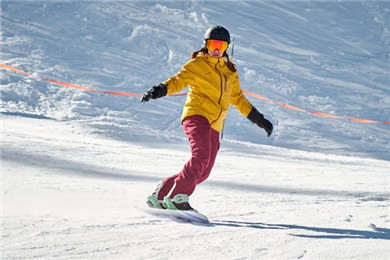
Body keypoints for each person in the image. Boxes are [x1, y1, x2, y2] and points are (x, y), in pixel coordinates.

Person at [141, 25, 273, 211]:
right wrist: (159, 90)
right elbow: (178, 80)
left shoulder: (230, 72)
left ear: (226, 47)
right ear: (206, 45)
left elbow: (237, 98)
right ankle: (178, 199)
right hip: (197, 115)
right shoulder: (197, 65)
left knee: (202, 172)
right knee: (200, 156)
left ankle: (161, 194)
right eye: (213, 44)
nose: (216, 49)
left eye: (221, 45)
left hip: (215, 125)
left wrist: (259, 119)